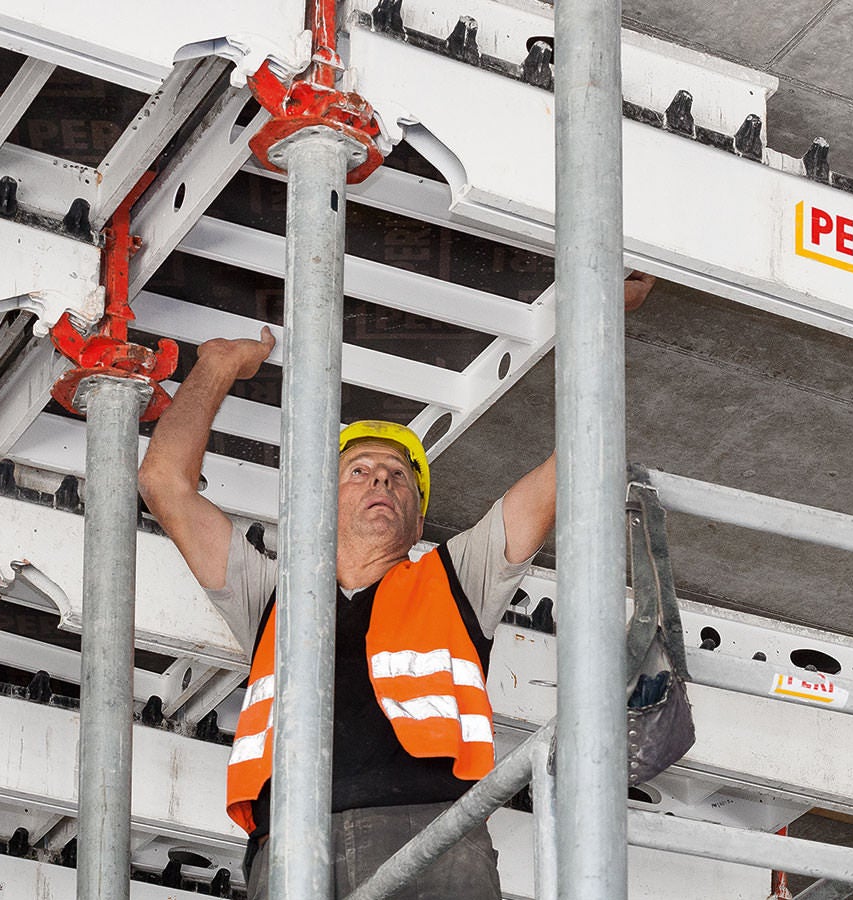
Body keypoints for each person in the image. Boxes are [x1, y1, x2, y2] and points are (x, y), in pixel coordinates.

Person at [138, 272, 655, 899]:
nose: (382, 482)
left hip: (433, 835)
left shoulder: (458, 576)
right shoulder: (274, 595)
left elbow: (572, 461)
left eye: (398, 476)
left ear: (416, 517)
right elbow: (164, 484)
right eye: (359, 470)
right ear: (320, 503)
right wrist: (217, 368)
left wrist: (602, 323)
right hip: (290, 842)